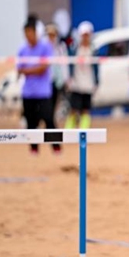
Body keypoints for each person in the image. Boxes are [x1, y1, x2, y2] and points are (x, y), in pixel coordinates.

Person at [18, 16, 60, 155]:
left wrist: (29, 70)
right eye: (26, 33)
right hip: (28, 92)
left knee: (49, 120)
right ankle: (34, 148)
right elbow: (19, 69)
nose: (28, 36)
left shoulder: (45, 47)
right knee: (31, 122)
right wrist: (34, 69)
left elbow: (43, 68)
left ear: (35, 32)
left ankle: (56, 147)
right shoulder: (23, 49)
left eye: (30, 32)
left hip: (43, 92)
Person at [65, 21, 99, 129]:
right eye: (83, 35)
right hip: (76, 84)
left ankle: (84, 132)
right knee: (74, 109)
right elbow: (69, 64)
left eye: (87, 35)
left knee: (86, 110)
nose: (85, 37)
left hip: (88, 84)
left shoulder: (93, 50)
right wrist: (69, 79)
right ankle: (69, 131)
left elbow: (96, 68)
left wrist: (96, 81)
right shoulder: (74, 49)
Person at [46, 23, 69, 125]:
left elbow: (64, 64)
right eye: (49, 34)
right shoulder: (43, 47)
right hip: (45, 82)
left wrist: (66, 79)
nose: (51, 37)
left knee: (54, 105)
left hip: (57, 82)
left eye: (53, 34)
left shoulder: (60, 47)